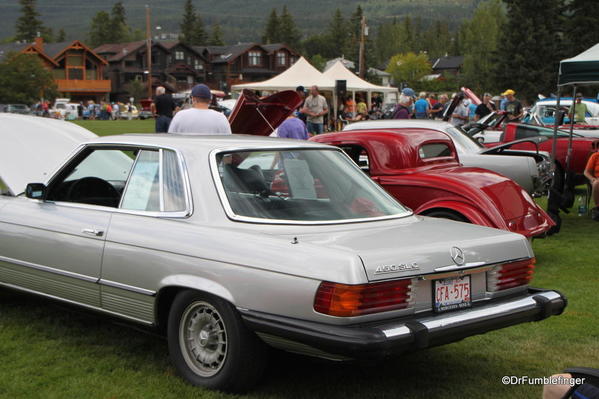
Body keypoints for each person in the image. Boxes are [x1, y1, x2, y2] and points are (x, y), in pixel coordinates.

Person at [584, 141, 599, 220]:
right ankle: (597, 208)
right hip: (596, 179)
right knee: (597, 183)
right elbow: (586, 172)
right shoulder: (595, 156)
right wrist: (592, 179)